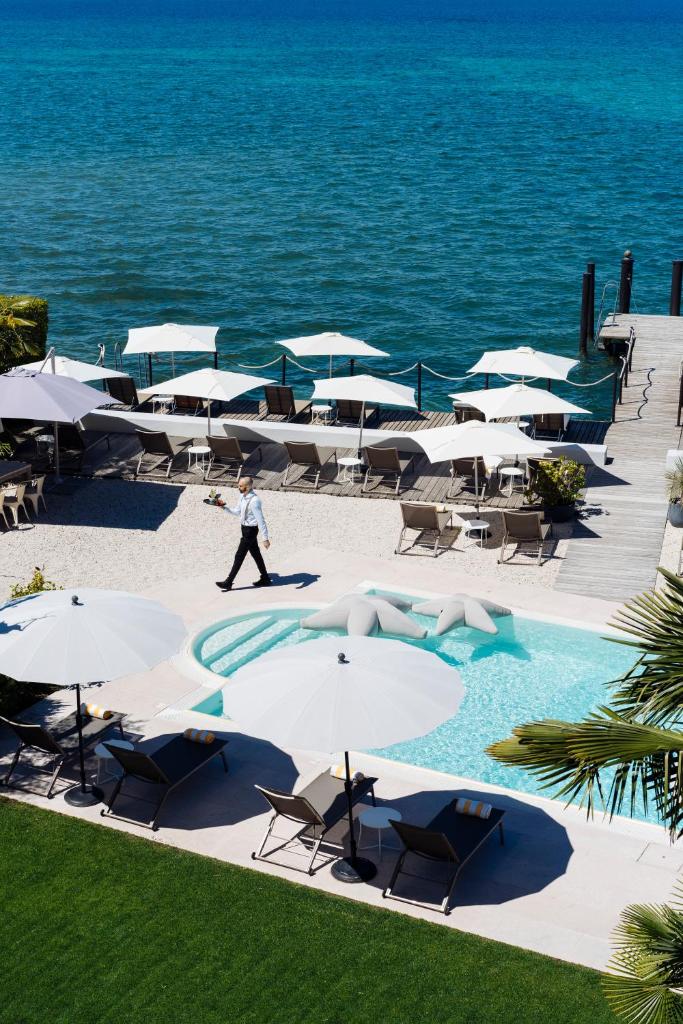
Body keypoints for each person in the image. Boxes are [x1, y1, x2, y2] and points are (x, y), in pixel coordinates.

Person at [215, 476, 271, 591]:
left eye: (241, 486)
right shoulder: (242, 496)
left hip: (251, 531)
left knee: (239, 555)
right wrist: (223, 507)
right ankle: (265, 578)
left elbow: (261, 520)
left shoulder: (255, 501)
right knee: (256, 554)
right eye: (238, 485)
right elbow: (237, 512)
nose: (238, 487)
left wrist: (265, 538)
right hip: (244, 528)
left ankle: (228, 582)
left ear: (248, 487)